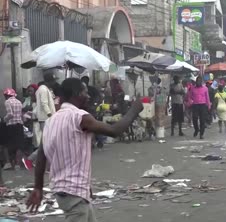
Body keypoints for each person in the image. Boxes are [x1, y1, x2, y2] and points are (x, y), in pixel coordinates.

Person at [27, 78, 144, 221]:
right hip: (73, 193)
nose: (88, 96)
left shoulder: (51, 121)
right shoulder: (80, 117)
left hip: (66, 191)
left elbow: (41, 157)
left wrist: (38, 187)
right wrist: (134, 109)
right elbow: (115, 130)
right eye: (85, 92)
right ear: (77, 94)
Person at [3, 88, 24, 170]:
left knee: (7, 144)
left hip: (11, 125)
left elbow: (10, 114)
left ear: (6, 95)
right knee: (19, 145)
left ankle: (8, 163)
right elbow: (21, 115)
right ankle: (17, 164)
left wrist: (4, 119)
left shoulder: (7, 102)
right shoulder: (19, 102)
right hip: (19, 125)